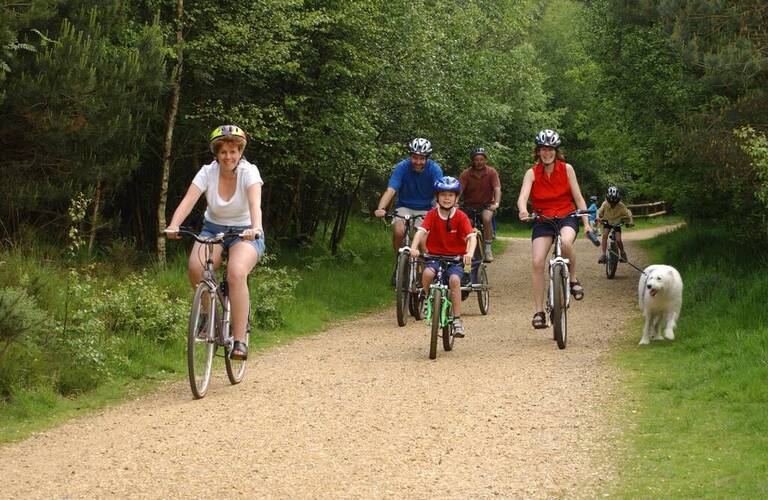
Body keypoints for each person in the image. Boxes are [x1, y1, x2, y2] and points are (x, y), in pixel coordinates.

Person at [166, 125, 265, 360]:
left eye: (233, 151)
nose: (228, 157)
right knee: (195, 267)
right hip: (213, 229)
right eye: (223, 152)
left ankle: (239, 340)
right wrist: (173, 224)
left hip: (245, 231)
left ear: (240, 152)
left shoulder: (249, 172)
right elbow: (189, 200)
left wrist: (256, 228)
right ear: (216, 153)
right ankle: (210, 315)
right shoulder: (207, 172)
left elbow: (255, 205)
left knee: (236, 273)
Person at [516, 129, 595, 330]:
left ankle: (573, 279)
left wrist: (586, 223)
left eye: (550, 149)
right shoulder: (531, 173)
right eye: (543, 149)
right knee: (536, 261)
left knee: (567, 242)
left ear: (556, 151)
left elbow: (578, 198)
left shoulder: (567, 169)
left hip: (566, 216)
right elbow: (523, 197)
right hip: (542, 219)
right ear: (538, 151)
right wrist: (523, 210)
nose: (547, 153)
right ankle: (538, 311)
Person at [409, 176, 477, 337]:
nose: (447, 198)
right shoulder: (432, 215)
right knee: (427, 274)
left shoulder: (461, 216)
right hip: (435, 256)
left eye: (451, 195)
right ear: (437, 197)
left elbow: (471, 237)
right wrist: (413, 248)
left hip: (455, 259)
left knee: (454, 280)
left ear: (456, 198)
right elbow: (421, 231)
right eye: (443, 195)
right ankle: (428, 299)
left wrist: (469, 253)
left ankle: (457, 319)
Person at [374, 138, 444, 284]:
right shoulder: (402, 167)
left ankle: (427, 274)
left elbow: (440, 192)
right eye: (415, 157)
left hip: (426, 208)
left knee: (423, 241)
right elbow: (391, 189)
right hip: (404, 206)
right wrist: (381, 208)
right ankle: (400, 264)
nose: (417, 162)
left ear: (427, 158)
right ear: (410, 156)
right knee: (399, 231)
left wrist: (440, 209)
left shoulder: (435, 169)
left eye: (421, 158)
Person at [459, 147, 501, 262]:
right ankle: (464, 249)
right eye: (476, 159)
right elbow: (459, 191)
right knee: (467, 223)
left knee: (487, 218)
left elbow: (497, 189)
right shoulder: (466, 174)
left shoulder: (491, 172)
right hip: (469, 206)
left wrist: (496, 203)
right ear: (472, 161)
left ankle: (488, 249)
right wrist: (454, 203)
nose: (479, 162)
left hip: (486, 205)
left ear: (485, 160)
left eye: (481, 159)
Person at [597, 186, 634, 263]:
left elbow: (629, 213)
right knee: (605, 235)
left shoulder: (621, 206)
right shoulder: (605, 204)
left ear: (618, 200)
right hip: (607, 221)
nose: (613, 204)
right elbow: (599, 212)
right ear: (607, 200)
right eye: (611, 202)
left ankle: (623, 253)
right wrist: (598, 218)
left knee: (618, 240)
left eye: (615, 203)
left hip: (617, 223)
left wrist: (631, 221)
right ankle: (603, 255)